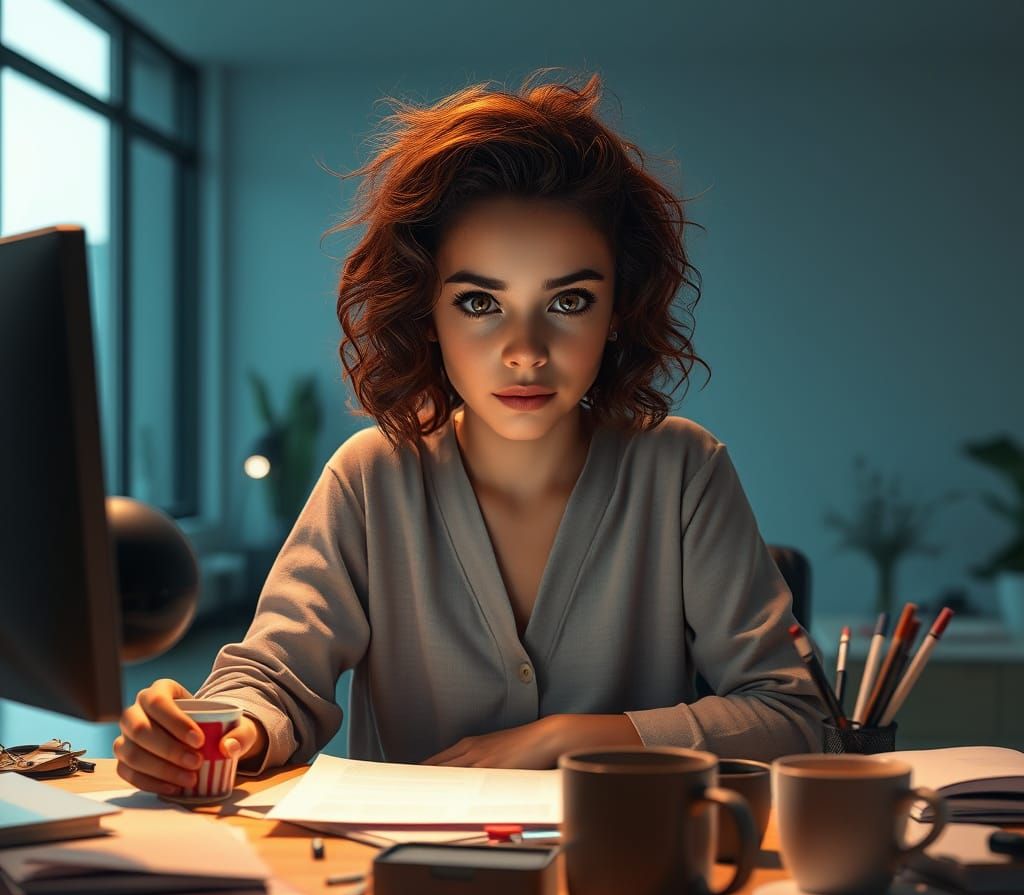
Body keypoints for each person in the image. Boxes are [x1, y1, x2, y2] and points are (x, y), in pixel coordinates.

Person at [113, 69, 827, 797]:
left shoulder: (683, 470)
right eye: (481, 301)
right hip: (398, 884)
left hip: (628, 878)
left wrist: (571, 739)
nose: (525, 350)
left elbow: (795, 716)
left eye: (570, 300)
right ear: (429, 313)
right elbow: (272, 678)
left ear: (618, 311)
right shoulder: (370, 477)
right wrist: (226, 729)